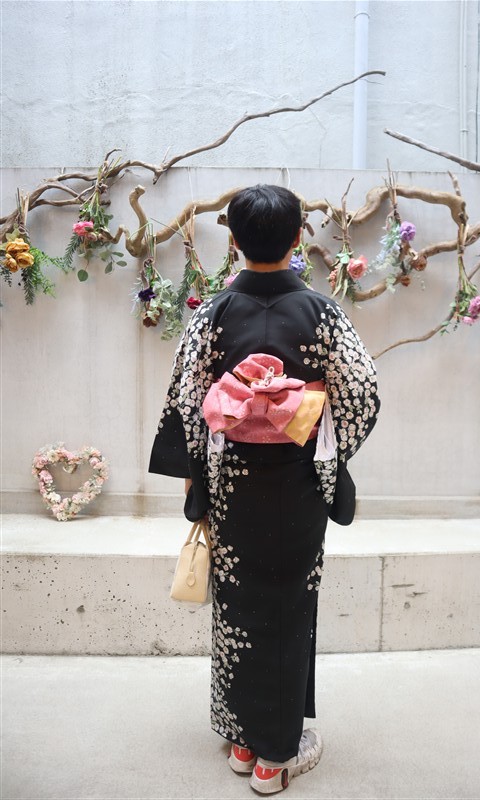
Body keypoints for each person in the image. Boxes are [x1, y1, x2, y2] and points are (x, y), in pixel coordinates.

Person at [149, 184, 380, 794]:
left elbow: (187, 404)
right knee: (289, 608)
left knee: (239, 607)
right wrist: (320, 445)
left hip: (234, 486)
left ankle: (244, 741)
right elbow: (363, 396)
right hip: (299, 484)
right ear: (299, 238)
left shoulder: (211, 316)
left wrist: (200, 476)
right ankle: (275, 758)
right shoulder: (324, 314)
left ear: (233, 240)